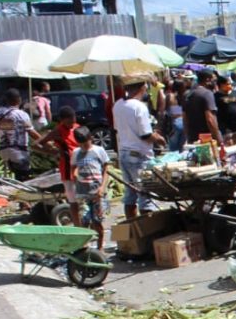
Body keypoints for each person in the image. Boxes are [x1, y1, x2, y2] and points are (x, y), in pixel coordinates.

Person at [113, 74, 165, 220]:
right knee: (145, 193)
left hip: (124, 152)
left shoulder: (118, 105)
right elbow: (145, 135)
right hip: (139, 155)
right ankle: (146, 227)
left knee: (130, 194)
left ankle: (131, 224)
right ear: (142, 87)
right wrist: (159, 139)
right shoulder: (139, 107)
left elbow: (119, 128)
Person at [36, 105, 81, 228]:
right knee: (73, 201)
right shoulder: (58, 131)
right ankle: (78, 226)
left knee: (84, 199)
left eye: (74, 119)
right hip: (67, 169)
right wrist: (55, 152)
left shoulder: (77, 128)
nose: (72, 123)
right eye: (69, 120)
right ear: (63, 120)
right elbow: (37, 144)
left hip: (82, 168)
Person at [71, 126, 110, 251]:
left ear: (91, 139)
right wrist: (75, 173)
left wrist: (102, 188)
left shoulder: (99, 151)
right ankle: (84, 246)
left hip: (97, 192)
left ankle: (100, 247)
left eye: (86, 144)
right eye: (81, 144)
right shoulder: (76, 153)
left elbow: (106, 170)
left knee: (97, 221)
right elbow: (73, 167)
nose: (84, 147)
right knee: (84, 220)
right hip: (82, 192)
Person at [0, 88, 41, 179]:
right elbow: (31, 132)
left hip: (4, 151)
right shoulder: (21, 114)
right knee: (24, 178)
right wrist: (44, 141)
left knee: (16, 176)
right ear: (19, 99)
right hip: (18, 151)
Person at [182, 69, 223, 148]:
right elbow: (210, 119)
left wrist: (188, 137)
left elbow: (184, 118)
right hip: (207, 140)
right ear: (208, 80)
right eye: (214, 80)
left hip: (193, 139)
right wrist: (218, 139)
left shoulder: (187, 95)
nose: (216, 82)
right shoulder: (207, 94)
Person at [164, 80, 185, 152]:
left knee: (173, 150)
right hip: (183, 122)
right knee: (181, 149)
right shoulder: (183, 96)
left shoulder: (170, 96)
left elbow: (167, 110)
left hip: (174, 123)